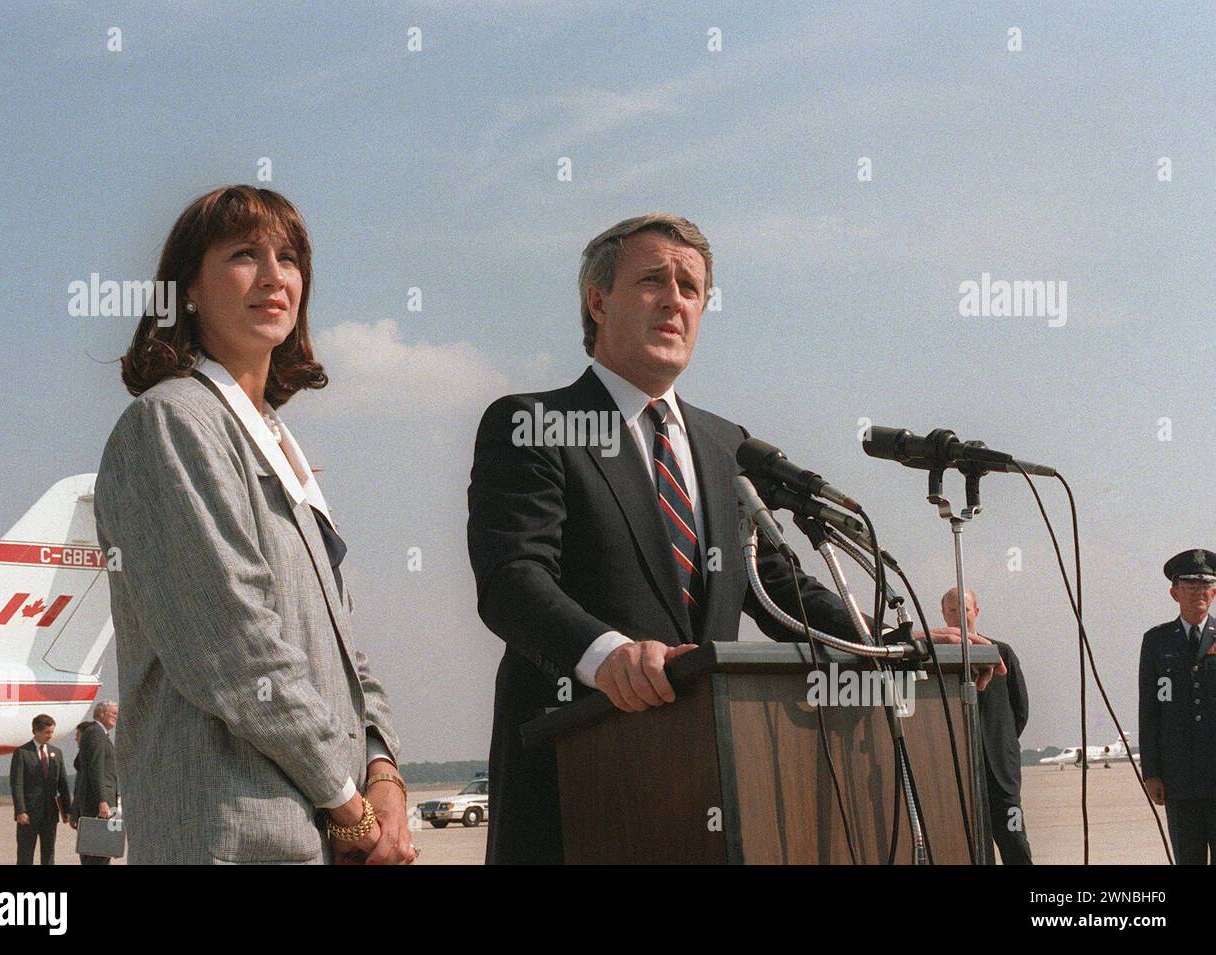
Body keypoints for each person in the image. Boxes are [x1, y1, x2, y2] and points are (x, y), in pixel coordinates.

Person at [467, 214, 1000, 864]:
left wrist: (895, 645)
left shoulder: (729, 445)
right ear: (598, 300)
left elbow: (782, 590)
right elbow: (513, 581)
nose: (675, 300)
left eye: (691, 288)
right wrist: (607, 655)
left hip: (711, 789)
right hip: (576, 786)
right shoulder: (535, 424)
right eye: (653, 280)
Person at [95, 185, 412, 865]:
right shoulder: (173, 420)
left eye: (290, 258)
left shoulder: (280, 443)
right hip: (232, 835)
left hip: (321, 832)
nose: (275, 276)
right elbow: (232, 646)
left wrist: (383, 771)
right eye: (244, 254)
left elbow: (345, 652)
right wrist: (350, 806)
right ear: (187, 291)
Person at [937, 587, 1031, 864]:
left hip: (1000, 771)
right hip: (956, 769)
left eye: (964, 610)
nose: (959, 616)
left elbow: (1020, 710)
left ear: (976, 612)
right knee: (969, 845)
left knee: (1014, 841)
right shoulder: (934, 658)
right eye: (952, 610)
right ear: (943, 615)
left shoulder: (1000, 653)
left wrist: (1001, 744)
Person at [1139, 549, 1216, 864]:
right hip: (1179, 777)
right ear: (1174, 592)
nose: (1198, 591)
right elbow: (1150, 711)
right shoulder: (1157, 642)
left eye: (1205, 584)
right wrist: (1152, 772)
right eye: (1190, 585)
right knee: (1188, 859)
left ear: (1214, 592)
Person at [9, 714, 71, 865]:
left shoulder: (56, 753)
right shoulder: (22, 753)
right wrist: (20, 811)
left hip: (50, 813)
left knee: (49, 853)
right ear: (35, 731)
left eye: (51, 732)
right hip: (29, 813)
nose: (50, 736)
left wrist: (67, 810)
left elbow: (62, 783)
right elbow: (16, 784)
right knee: (25, 853)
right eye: (46, 732)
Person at [73, 701, 119, 865]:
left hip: (102, 800)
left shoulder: (96, 734)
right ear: (101, 713)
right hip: (99, 804)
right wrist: (102, 800)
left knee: (102, 851)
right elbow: (96, 768)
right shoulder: (96, 733)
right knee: (97, 854)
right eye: (113, 713)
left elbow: (79, 763)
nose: (116, 716)